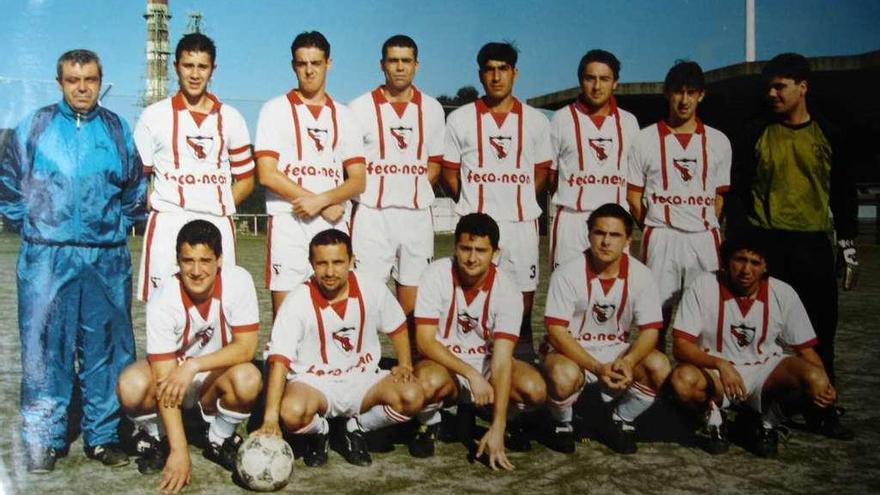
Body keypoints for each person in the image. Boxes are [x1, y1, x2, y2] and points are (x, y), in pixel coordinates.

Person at [0, 49, 146, 473]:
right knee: (47, 346)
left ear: (101, 81)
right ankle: (45, 438)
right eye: (73, 80)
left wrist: (114, 226)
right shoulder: (36, 126)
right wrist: (34, 226)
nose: (82, 87)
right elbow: (9, 185)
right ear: (60, 82)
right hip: (48, 255)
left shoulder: (117, 129)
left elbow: (135, 190)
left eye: (90, 80)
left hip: (104, 257)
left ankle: (101, 436)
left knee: (106, 347)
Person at [727, 53, 857, 437]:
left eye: (780, 86)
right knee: (762, 332)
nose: (772, 93)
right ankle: (761, 405)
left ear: (803, 87)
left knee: (818, 334)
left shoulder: (828, 133)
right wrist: (739, 244)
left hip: (812, 243)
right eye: (769, 87)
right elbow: (739, 193)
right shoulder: (756, 132)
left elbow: (843, 192)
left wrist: (847, 241)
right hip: (768, 244)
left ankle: (823, 408)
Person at [255, 229, 423, 467]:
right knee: (290, 413)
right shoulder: (297, 300)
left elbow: (397, 325)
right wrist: (270, 417)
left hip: (363, 380)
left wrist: (405, 363)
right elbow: (279, 359)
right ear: (311, 264)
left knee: (413, 395)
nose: (330, 271)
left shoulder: (371, 288)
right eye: (322, 263)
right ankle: (320, 432)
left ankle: (356, 428)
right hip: (315, 383)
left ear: (351, 261)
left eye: (338, 262)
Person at [116, 220, 261, 493]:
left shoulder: (239, 280)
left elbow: (246, 347)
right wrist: (179, 450)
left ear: (219, 259)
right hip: (173, 378)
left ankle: (218, 438)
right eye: (188, 261)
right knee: (131, 386)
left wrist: (193, 365)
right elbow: (164, 380)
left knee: (248, 377)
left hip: (211, 378)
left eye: (205, 260)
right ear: (177, 261)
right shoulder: (162, 299)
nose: (196, 271)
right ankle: (159, 438)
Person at [669, 235, 846, 457]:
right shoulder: (704, 285)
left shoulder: (782, 292)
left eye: (755, 262)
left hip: (764, 370)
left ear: (765, 266)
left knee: (817, 382)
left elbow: (806, 350)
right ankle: (714, 418)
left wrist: (826, 387)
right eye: (740, 260)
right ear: (726, 261)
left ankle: (767, 423)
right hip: (716, 373)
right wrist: (721, 364)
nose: (746, 269)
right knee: (682, 381)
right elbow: (681, 346)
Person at [442, 42, 553, 362]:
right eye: (489, 69)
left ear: (514, 73)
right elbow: (450, 174)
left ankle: (521, 363)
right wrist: (474, 207)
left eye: (503, 69)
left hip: (519, 225)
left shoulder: (535, 121)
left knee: (523, 302)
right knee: (470, 296)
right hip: (477, 229)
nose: (496, 76)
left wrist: (514, 200)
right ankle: (470, 361)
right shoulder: (461, 119)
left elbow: (542, 172)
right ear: (480, 74)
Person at [409, 213, 547, 469]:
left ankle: (496, 419)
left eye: (481, 250)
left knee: (534, 389)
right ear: (455, 248)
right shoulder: (435, 274)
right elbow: (426, 342)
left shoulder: (508, 289)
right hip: (445, 366)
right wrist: (471, 374)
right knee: (426, 383)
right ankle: (429, 423)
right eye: (465, 248)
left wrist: (498, 425)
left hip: (488, 367)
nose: (472, 258)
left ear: (495, 252)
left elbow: (503, 361)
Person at [135, 33, 255, 302]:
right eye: (188, 65)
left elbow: (246, 180)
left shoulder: (232, 118)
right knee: (163, 309)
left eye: (202, 66)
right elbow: (136, 180)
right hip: (168, 222)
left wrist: (219, 205)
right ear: (176, 65)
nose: (195, 74)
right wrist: (160, 204)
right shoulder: (153, 116)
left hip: (216, 223)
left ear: (213, 69)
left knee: (217, 311)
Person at [255, 31, 366, 316]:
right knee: (287, 309)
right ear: (293, 65)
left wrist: (325, 201)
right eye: (302, 63)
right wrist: (316, 202)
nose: (309, 70)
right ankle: (284, 361)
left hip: (333, 220)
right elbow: (267, 174)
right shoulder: (274, 109)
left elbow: (358, 180)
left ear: (328, 63)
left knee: (335, 306)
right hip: (288, 219)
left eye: (316, 62)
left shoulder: (345, 114)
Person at [542, 203, 668, 454]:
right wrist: (597, 368)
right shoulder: (567, 273)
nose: (606, 242)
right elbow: (556, 331)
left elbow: (650, 330)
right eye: (599, 233)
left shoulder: (641, 275)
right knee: (562, 375)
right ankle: (563, 423)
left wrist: (629, 362)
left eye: (615, 235)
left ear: (627, 240)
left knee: (659, 366)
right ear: (589, 236)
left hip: (615, 351)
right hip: (571, 351)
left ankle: (621, 419)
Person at [348, 34, 446, 348]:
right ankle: (363, 366)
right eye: (393, 61)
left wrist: (408, 189)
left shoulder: (431, 109)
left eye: (406, 61)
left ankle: (415, 374)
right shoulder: (359, 107)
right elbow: (351, 165)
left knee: (416, 302)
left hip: (416, 217)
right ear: (382, 65)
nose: (399, 68)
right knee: (367, 297)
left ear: (416, 65)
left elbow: (434, 165)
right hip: (372, 216)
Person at [626, 60, 731, 342]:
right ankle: (655, 379)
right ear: (666, 93)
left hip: (703, 238)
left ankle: (695, 381)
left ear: (701, 95)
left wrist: (701, 223)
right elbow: (634, 198)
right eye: (678, 92)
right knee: (656, 316)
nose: (684, 100)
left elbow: (719, 198)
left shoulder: (719, 141)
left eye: (691, 92)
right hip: (662, 236)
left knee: (705, 313)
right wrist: (653, 226)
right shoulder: (644, 140)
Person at [548, 50, 640, 269]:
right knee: (567, 292)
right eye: (590, 78)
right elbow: (551, 176)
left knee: (612, 294)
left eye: (604, 79)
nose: (597, 86)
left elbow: (636, 177)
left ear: (615, 83)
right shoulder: (561, 119)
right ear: (581, 81)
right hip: (573, 220)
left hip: (614, 222)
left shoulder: (629, 122)